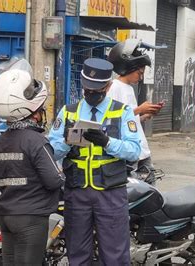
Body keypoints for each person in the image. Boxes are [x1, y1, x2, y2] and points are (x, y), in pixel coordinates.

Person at [48, 58, 141, 265]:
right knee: (77, 253)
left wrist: (107, 142)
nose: (91, 93)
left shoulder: (122, 112)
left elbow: (135, 151)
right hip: (76, 192)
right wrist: (66, 141)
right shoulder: (68, 112)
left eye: (97, 89)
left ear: (107, 87)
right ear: (83, 85)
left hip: (110, 193)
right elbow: (50, 152)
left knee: (114, 254)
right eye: (88, 89)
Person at [0, 59, 65, 265]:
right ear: (35, 114)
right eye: (41, 109)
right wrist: (64, 173)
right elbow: (53, 181)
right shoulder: (36, 141)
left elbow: (0, 180)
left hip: (6, 216)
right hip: (31, 218)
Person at [107, 39, 162, 179]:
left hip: (141, 150)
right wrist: (139, 109)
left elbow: (129, 120)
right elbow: (112, 119)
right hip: (130, 152)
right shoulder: (114, 87)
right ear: (128, 68)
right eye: (139, 72)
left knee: (150, 190)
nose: (141, 77)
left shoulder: (129, 89)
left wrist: (145, 115)